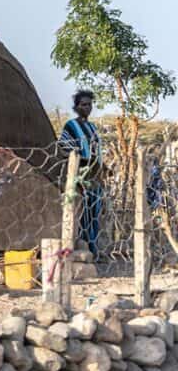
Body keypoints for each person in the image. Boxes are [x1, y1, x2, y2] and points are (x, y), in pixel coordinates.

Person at [58, 90, 104, 257]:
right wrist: (79, 161)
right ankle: (83, 247)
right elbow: (63, 146)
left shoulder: (93, 127)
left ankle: (93, 248)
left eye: (89, 104)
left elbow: (97, 152)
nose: (87, 107)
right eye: (83, 104)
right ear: (76, 107)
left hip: (94, 175)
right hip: (79, 175)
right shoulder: (71, 126)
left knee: (94, 212)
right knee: (82, 211)